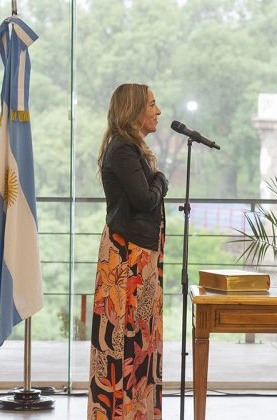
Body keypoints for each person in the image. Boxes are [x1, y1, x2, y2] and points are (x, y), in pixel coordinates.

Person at [88, 83, 168, 419]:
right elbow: (145, 199)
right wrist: (162, 179)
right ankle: (122, 412)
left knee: (140, 340)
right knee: (124, 341)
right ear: (135, 110)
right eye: (152, 104)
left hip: (140, 256)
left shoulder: (131, 149)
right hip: (127, 259)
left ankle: (139, 411)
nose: (158, 111)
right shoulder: (123, 150)